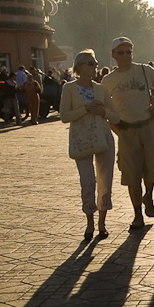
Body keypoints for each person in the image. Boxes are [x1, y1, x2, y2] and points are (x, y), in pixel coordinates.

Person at [103, 37, 154, 230]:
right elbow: (104, 107)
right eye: (121, 53)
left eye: (128, 52)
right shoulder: (108, 81)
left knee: (152, 166)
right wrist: (114, 126)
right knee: (132, 174)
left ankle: (149, 194)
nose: (125, 56)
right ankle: (137, 214)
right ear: (114, 55)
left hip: (147, 126)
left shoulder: (144, 70)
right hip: (126, 130)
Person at [59, 49, 119, 241]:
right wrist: (85, 109)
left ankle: (102, 222)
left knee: (105, 182)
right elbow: (64, 116)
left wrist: (103, 112)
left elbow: (115, 114)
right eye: (91, 64)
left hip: (103, 138)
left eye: (96, 63)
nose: (95, 67)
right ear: (80, 67)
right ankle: (89, 220)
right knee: (87, 181)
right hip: (81, 139)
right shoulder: (69, 88)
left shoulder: (101, 89)